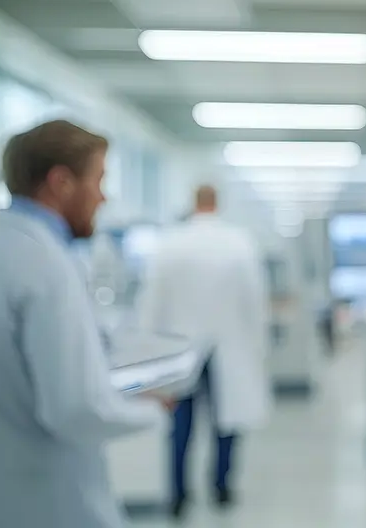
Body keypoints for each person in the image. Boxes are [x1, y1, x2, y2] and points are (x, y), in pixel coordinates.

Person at [0, 120, 171, 528]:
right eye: (98, 180)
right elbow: (75, 410)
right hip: (48, 501)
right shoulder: (47, 268)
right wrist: (152, 410)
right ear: (61, 182)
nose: (103, 196)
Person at [136, 185, 272, 518]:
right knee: (227, 421)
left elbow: (152, 301)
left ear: (193, 203)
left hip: (181, 348)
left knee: (180, 424)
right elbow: (255, 301)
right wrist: (259, 346)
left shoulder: (171, 243)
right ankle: (221, 487)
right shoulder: (239, 243)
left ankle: (178, 495)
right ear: (217, 203)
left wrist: (146, 350)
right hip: (229, 346)